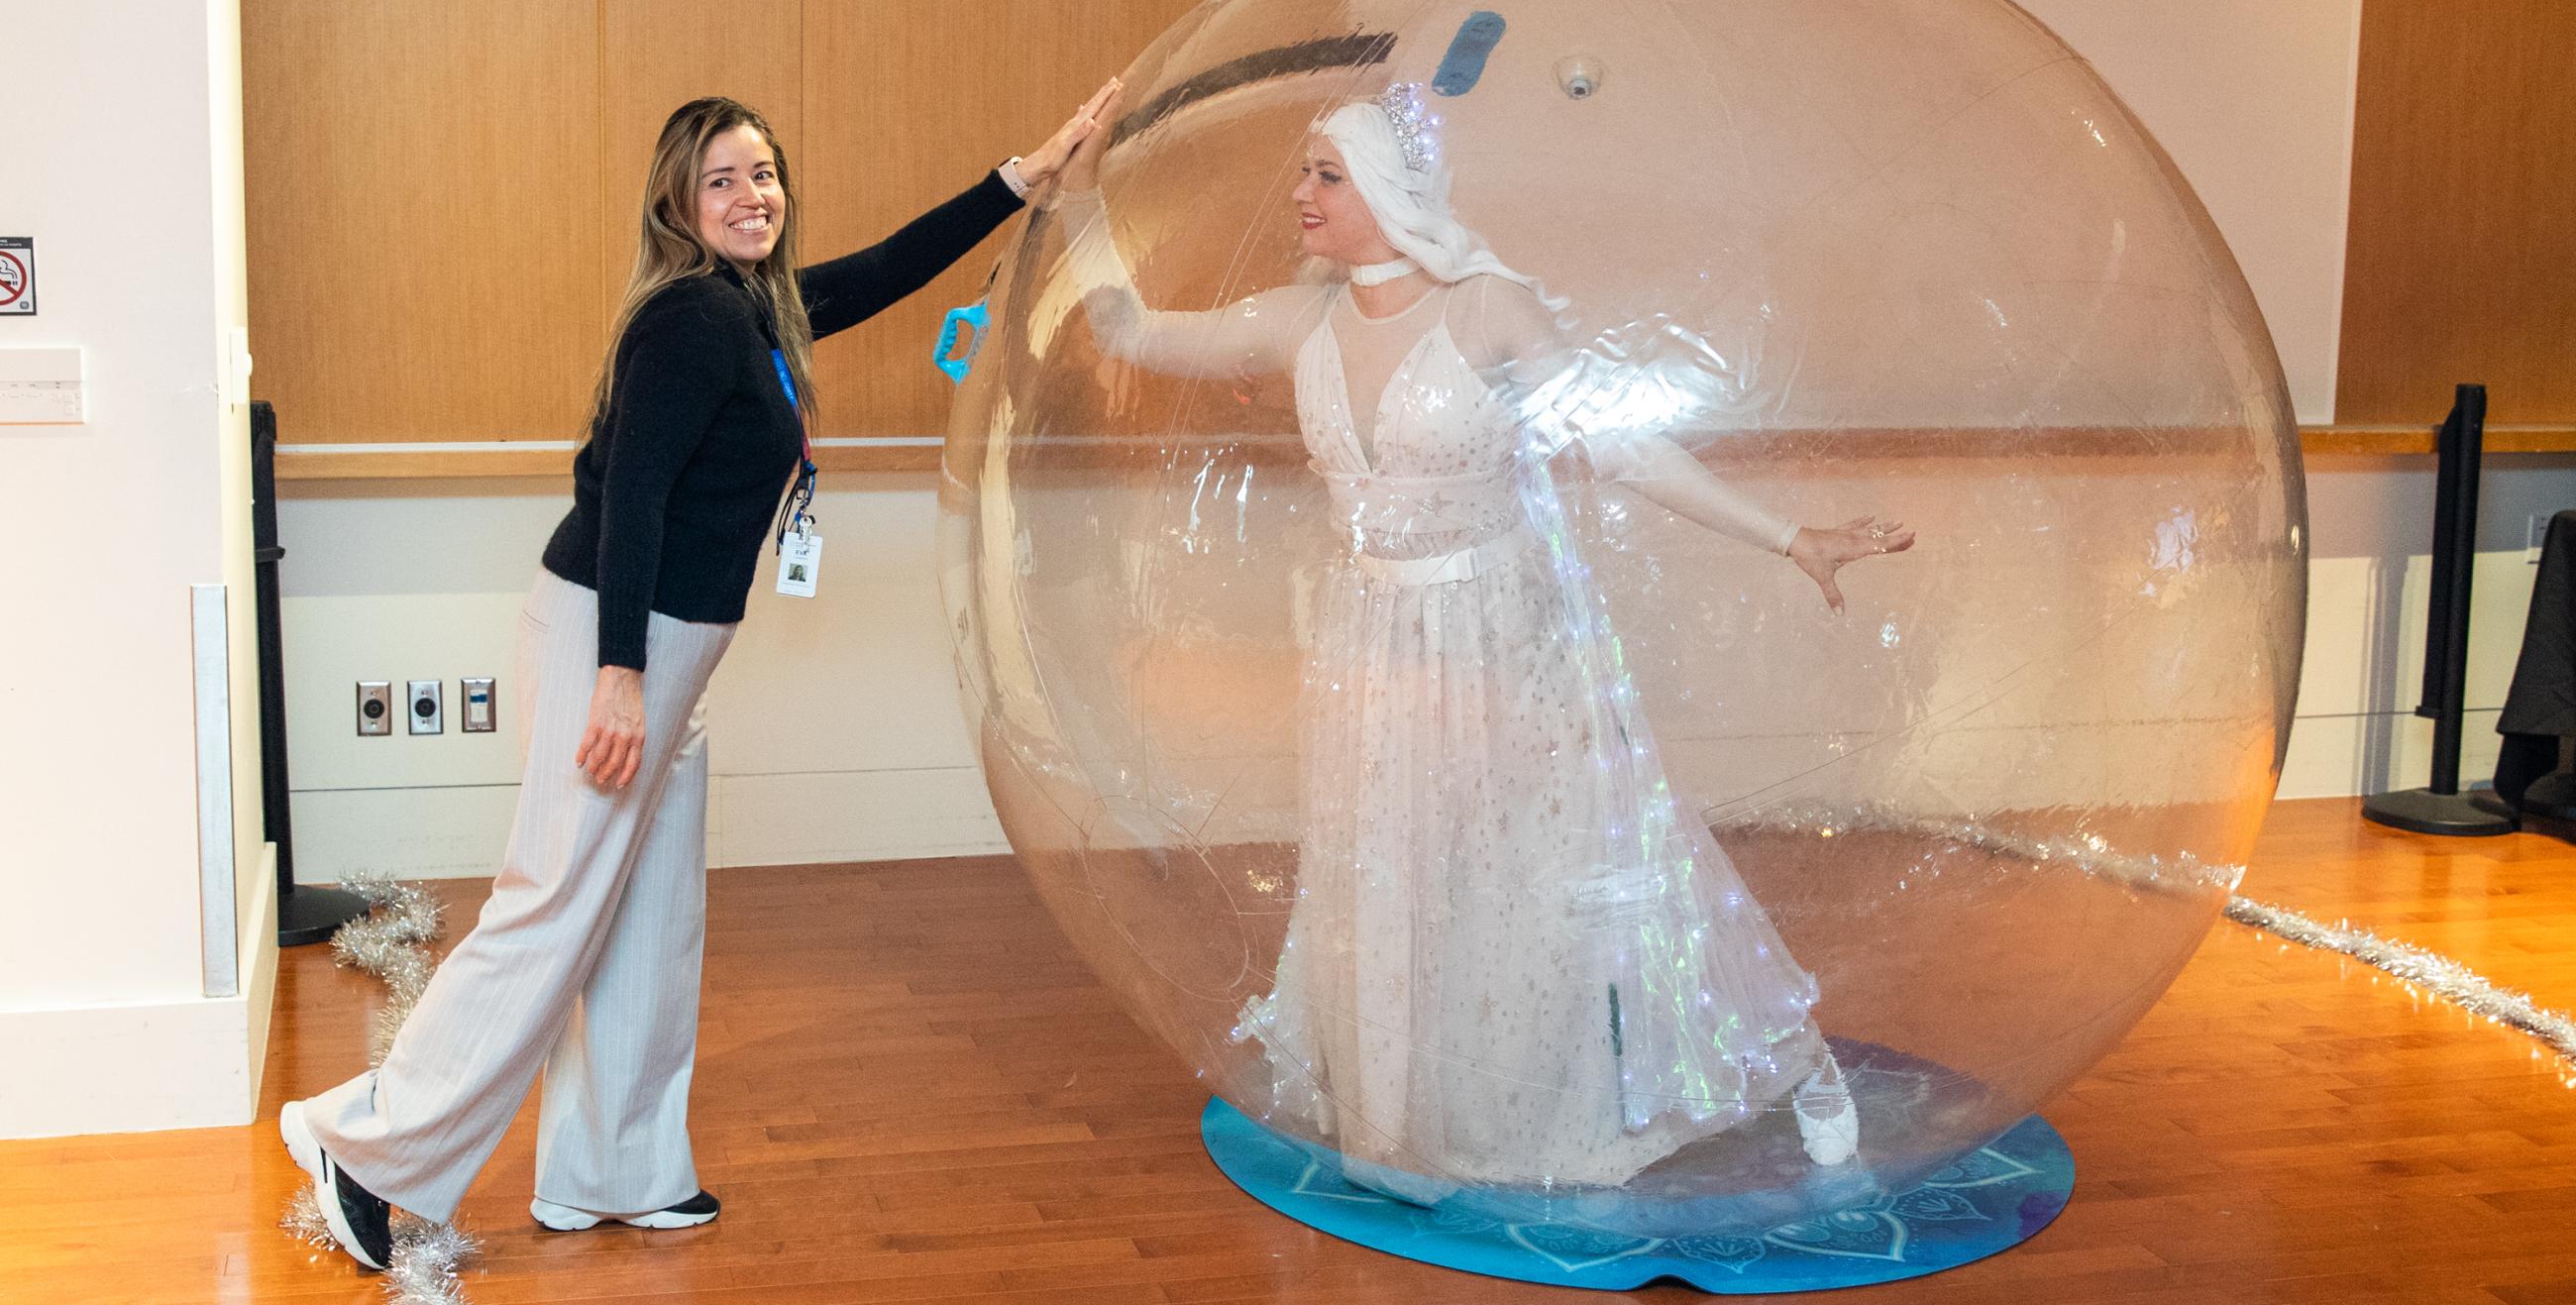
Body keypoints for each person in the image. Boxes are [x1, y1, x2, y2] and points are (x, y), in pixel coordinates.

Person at [280, 82, 1119, 1271]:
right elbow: (634, 498)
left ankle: (614, 1171)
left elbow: (883, 269)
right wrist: (617, 674)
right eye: (722, 178)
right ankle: (364, 1146)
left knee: (650, 924)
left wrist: (1020, 177)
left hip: (673, 650)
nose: (750, 194)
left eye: (763, 173)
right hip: (614, 639)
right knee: (550, 908)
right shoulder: (687, 319)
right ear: (679, 201)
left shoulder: (755, 309)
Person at [1051, 83, 1913, 1202]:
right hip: (1372, 640)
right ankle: (1411, 1121)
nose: (1301, 193)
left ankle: (1788, 1060)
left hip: (1507, 637)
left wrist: (1791, 536)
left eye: (1326, 173)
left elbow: (1623, 448)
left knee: (1559, 871)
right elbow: (1125, 326)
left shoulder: (1487, 310)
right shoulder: (1295, 317)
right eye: (1304, 172)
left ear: (1388, 192)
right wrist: (1074, 204)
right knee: (1397, 873)